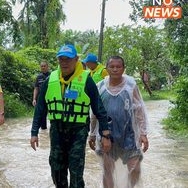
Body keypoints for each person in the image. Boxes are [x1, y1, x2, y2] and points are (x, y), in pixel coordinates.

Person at [30, 44, 111, 188]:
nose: (64, 62)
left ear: (76, 60)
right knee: (56, 168)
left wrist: (105, 134)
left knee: (76, 170)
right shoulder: (51, 79)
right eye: (61, 59)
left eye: (68, 59)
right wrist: (34, 132)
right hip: (57, 130)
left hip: (78, 130)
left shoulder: (86, 80)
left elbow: (99, 109)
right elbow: (40, 107)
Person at [88, 56, 149, 188]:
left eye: (118, 66)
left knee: (135, 168)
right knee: (107, 171)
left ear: (123, 68)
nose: (115, 69)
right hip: (106, 136)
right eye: (112, 66)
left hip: (129, 135)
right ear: (107, 68)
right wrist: (92, 133)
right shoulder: (100, 87)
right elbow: (94, 113)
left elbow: (139, 110)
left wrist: (143, 133)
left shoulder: (131, 86)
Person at [32, 61, 50, 130]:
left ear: (47, 67)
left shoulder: (51, 75)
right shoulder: (38, 77)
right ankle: (44, 130)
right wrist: (34, 99)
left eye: (44, 66)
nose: (43, 67)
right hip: (41, 100)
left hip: (50, 99)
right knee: (42, 116)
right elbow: (36, 88)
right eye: (41, 66)